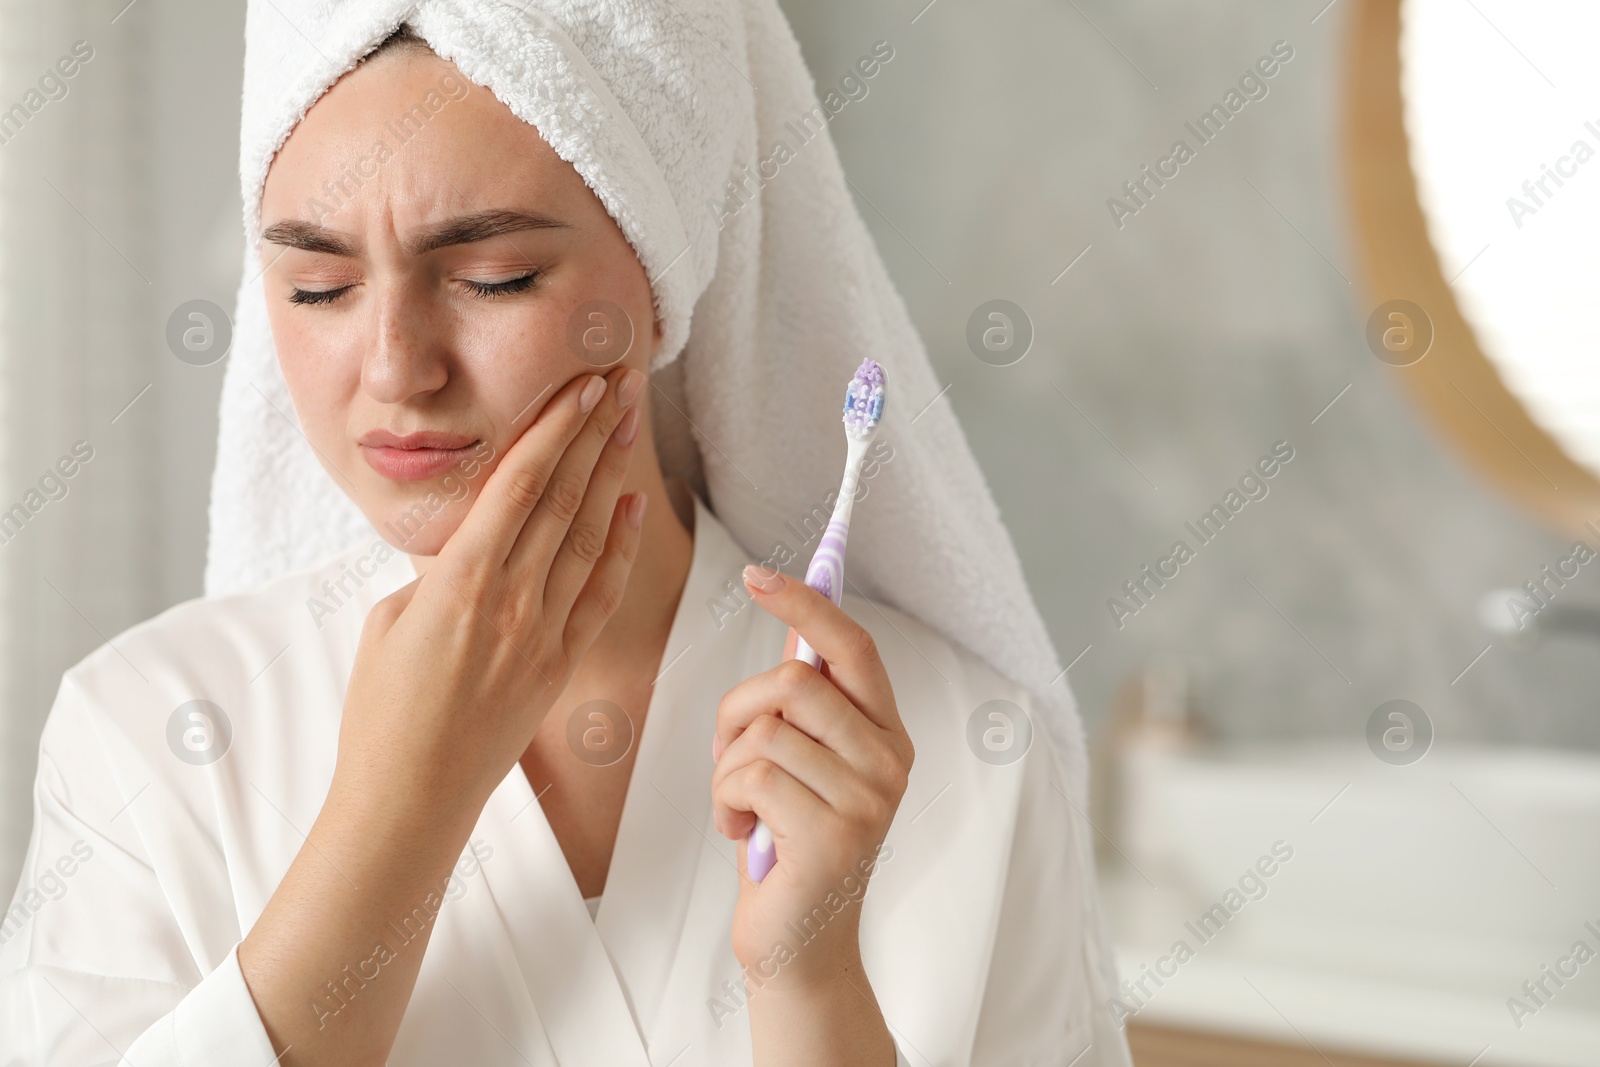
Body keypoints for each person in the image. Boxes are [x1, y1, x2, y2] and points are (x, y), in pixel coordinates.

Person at [0, 4, 1132, 1065]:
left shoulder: (967, 750)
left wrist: (810, 985)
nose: (398, 368)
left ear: (660, 278)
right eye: (318, 286)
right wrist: (401, 812)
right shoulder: (147, 735)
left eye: (496, 276)